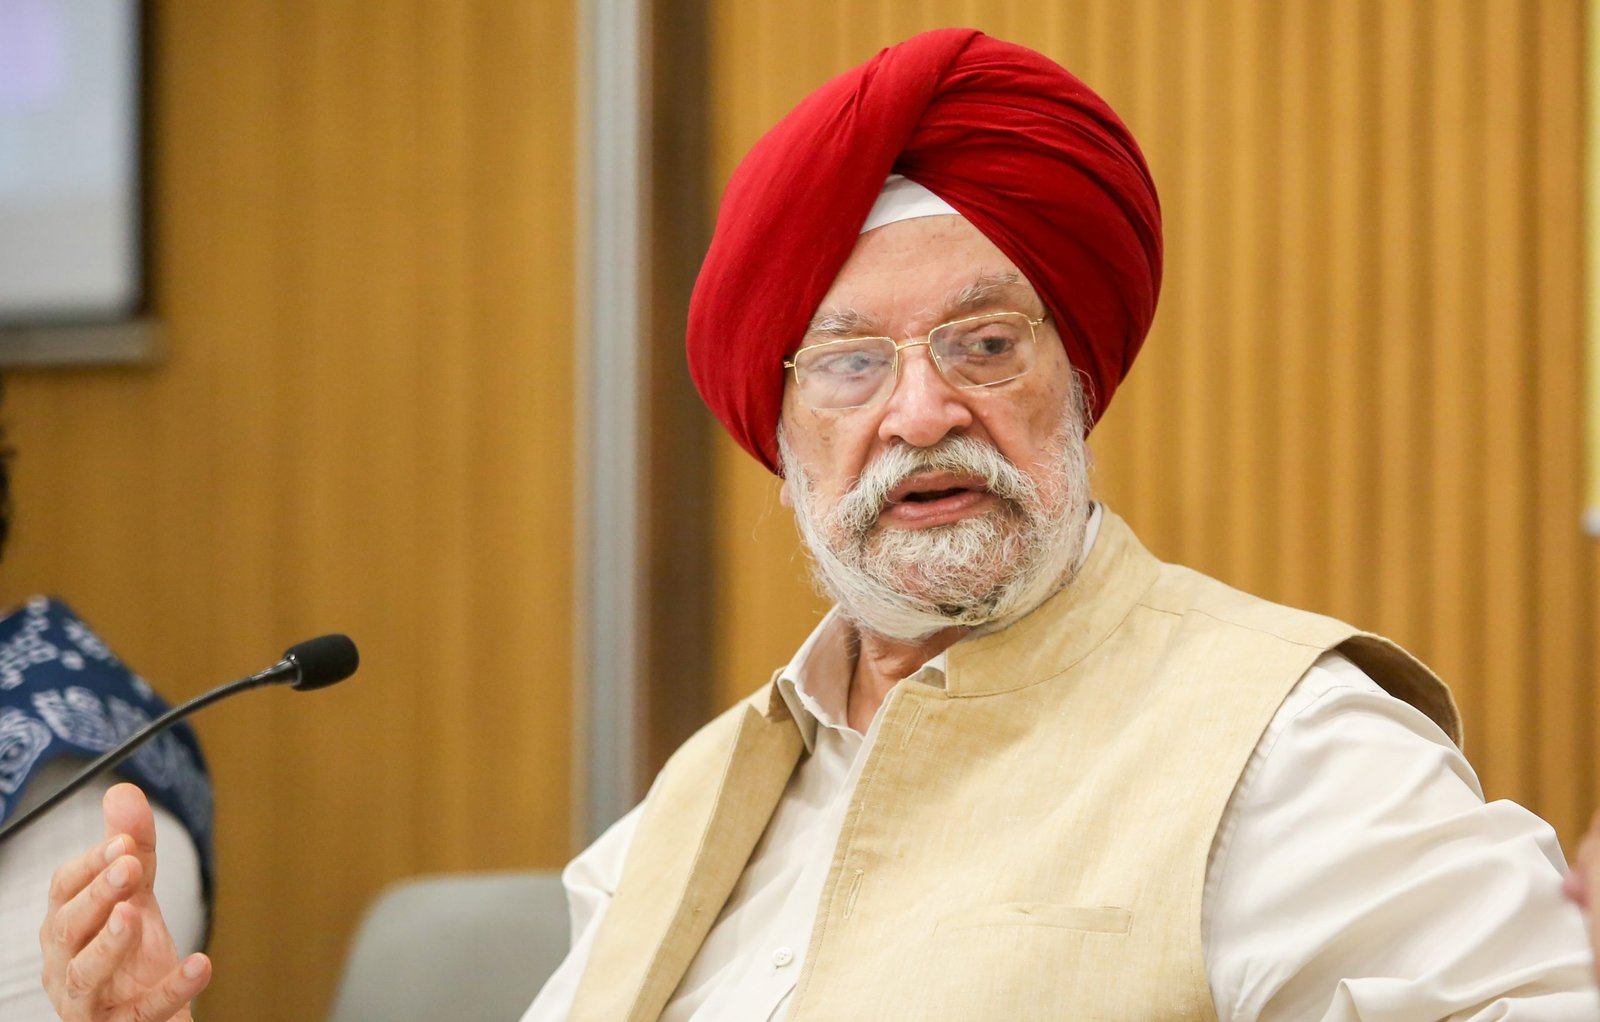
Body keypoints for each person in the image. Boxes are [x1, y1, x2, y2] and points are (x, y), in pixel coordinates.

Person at [37, 28, 1598, 1021]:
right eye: (851, 361)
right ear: (778, 435)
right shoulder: (686, 814)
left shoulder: (1289, 743)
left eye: (985, 343)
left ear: (1079, 381)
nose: (922, 410)